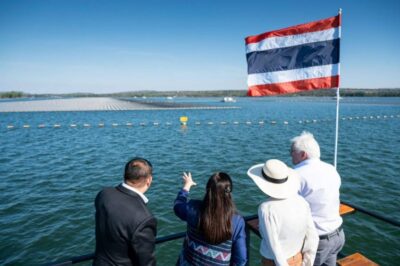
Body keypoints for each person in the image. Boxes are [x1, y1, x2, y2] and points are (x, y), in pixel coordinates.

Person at [248, 159, 319, 266]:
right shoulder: (302, 201)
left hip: (274, 263)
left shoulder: (266, 208)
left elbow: (274, 247)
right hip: (298, 258)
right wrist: (307, 262)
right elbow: (313, 236)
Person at [290, 131, 345, 266]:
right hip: (338, 235)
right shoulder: (331, 169)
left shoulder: (296, 175)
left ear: (303, 154)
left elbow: (288, 207)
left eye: (292, 151)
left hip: (318, 241)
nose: (290, 154)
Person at [173, 172, 247, 266]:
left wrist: (187, 186)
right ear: (229, 192)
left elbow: (177, 206)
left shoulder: (194, 209)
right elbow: (241, 259)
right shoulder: (237, 221)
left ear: (207, 190)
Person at [93, 157, 157, 266]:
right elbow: (146, 261)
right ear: (149, 180)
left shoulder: (103, 195)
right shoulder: (144, 218)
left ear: (125, 175)